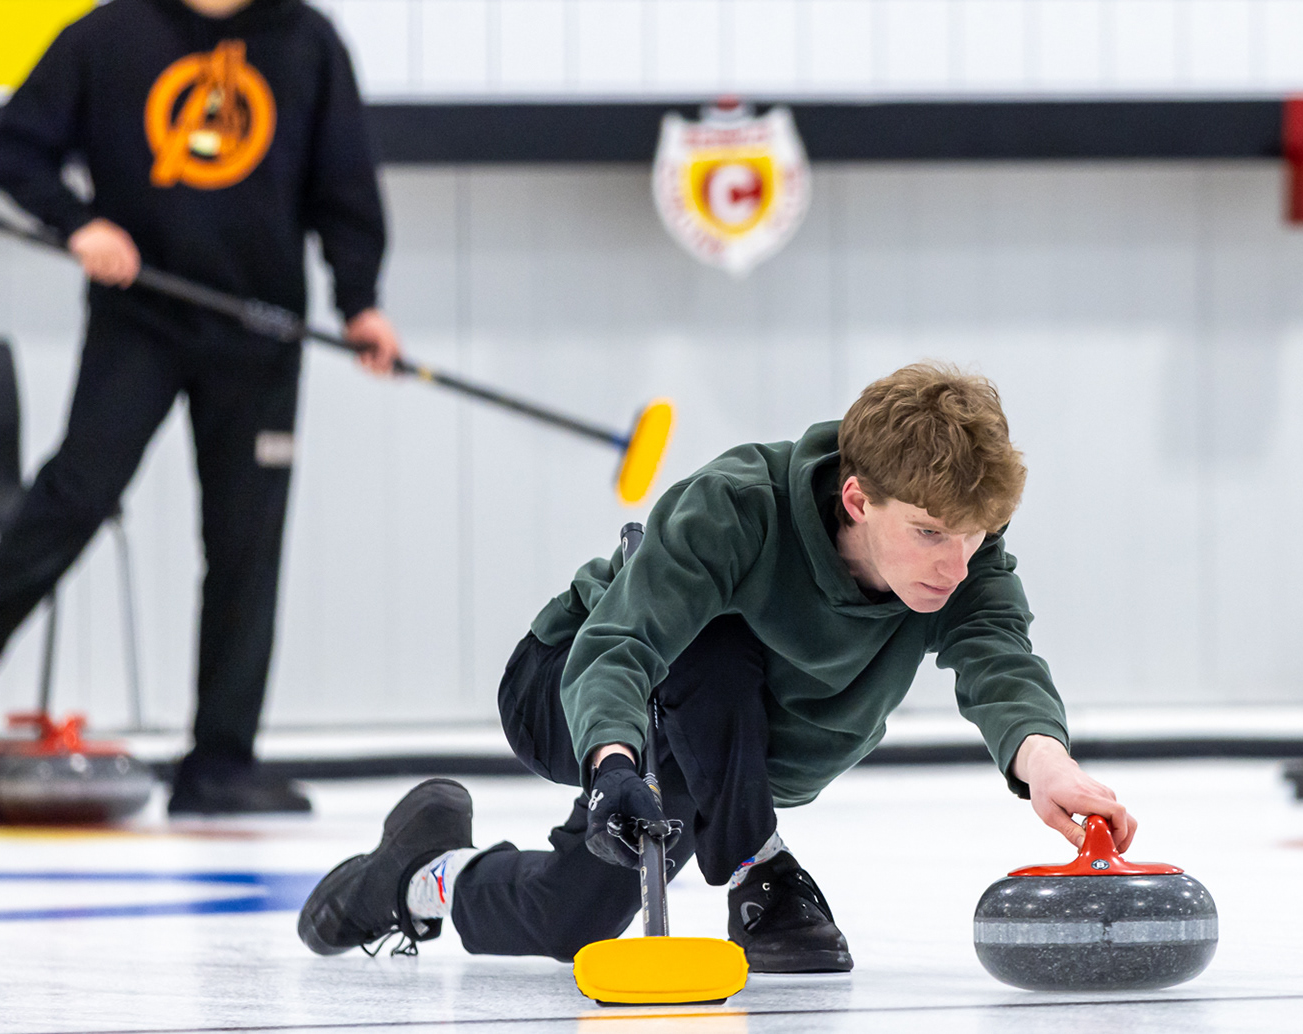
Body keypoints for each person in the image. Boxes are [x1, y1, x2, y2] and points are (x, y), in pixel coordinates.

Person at [297, 363, 1135, 970]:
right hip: (573, 684)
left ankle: (422, 873)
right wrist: (613, 764)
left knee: (569, 919)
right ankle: (759, 869)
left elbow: (999, 658)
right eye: (929, 533)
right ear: (857, 498)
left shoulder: (964, 561)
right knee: (718, 634)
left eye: (974, 537)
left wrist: (1046, 763)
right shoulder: (736, 508)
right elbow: (625, 643)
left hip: (716, 748)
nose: (955, 564)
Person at [0, 0, 397, 815]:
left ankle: (220, 762)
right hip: (141, 325)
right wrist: (79, 223)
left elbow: (345, 190)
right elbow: (15, 149)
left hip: (259, 333)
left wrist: (361, 301)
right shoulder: (110, 38)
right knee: (69, 503)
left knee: (246, 544)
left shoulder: (308, 43)